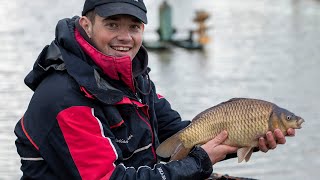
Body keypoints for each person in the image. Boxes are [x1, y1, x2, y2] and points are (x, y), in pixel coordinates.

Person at [14, 0, 295, 179]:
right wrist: (197, 163)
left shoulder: (134, 79)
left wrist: (247, 140)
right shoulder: (64, 98)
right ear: (86, 25)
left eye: (134, 27)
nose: (125, 37)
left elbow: (177, 134)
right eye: (112, 25)